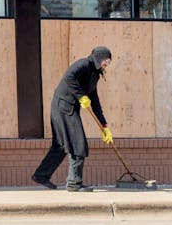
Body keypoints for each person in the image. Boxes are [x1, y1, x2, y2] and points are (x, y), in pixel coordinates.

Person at [32, 46, 113, 191]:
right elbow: (69, 77)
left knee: (61, 145)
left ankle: (41, 175)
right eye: (105, 61)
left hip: (66, 108)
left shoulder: (94, 75)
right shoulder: (84, 64)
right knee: (78, 143)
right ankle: (74, 183)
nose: (106, 64)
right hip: (63, 107)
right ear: (99, 58)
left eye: (108, 62)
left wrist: (104, 126)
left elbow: (94, 101)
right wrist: (81, 96)